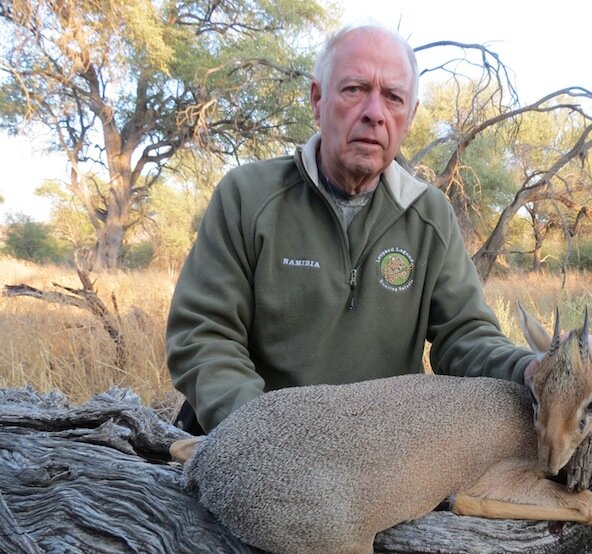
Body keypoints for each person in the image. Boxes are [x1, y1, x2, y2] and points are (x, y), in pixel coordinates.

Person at [166, 23, 536, 434]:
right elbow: (204, 335)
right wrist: (259, 434)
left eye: (393, 97)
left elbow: (465, 338)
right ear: (317, 100)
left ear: (409, 117)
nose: (375, 113)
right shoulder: (247, 196)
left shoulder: (429, 215)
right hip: (258, 434)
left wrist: (533, 370)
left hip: (374, 453)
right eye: (354, 89)